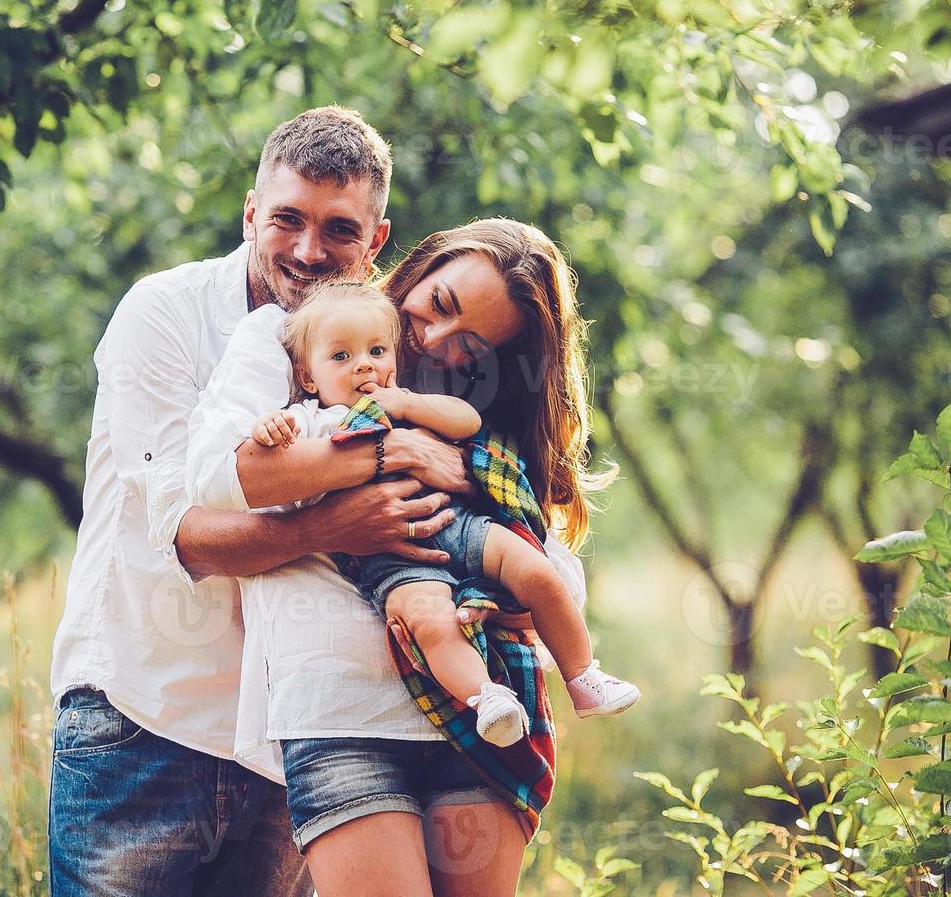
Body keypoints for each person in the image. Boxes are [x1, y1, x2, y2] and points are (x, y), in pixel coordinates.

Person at [47, 106, 472, 896]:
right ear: (250, 213)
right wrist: (352, 505)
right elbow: (193, 541)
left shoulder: (376, 347)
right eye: (286, 220)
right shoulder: (163, 315)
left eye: (339, 230)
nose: (310, 251)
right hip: (142, 717)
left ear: (376, 241)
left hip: (292, 730)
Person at [188, 218, 607, 895]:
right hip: (340, 712)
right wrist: (385, 461)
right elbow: (221, 476)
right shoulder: (306, 331)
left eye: (470, 343)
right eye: (439, 305)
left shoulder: (464, 411)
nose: (435, 339)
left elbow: (554, 572)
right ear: (423, 261)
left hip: (482, 711)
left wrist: (472, 490)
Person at [244, 280, 638, 749]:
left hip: (458, 523)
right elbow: (270, 461)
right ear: (309, 377)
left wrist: (407, 403)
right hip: (393, 557)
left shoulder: (408, 402)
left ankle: (582, 675)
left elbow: (467, 421)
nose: (364, 364)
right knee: (431, 623)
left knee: (537, 569)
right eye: (341, 357)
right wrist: (270, 427)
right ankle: (486, 698)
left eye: (376, 350)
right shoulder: (309, 420)